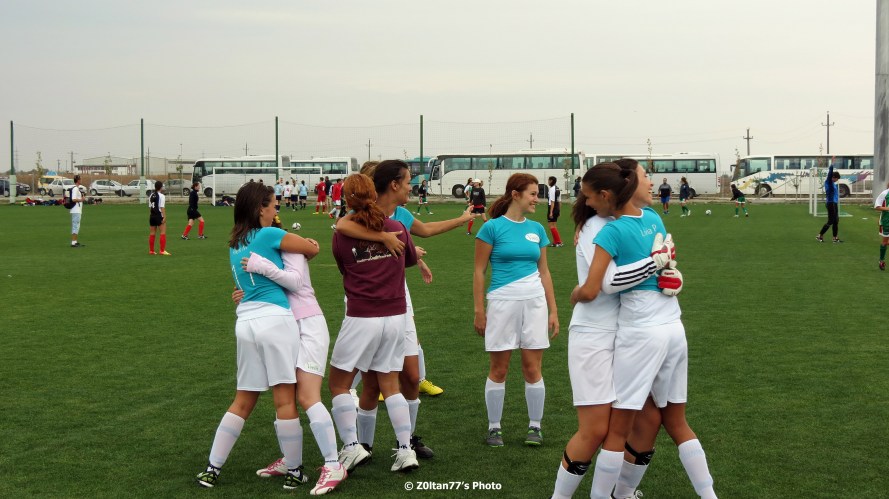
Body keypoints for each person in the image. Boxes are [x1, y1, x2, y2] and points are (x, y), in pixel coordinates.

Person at [571, 161, 717, 499]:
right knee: (676, 422)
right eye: (644, 176)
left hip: (640, 331)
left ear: (606, 195)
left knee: (618, 430)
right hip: (674, 325)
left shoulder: (609, 231)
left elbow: (603, 286)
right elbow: (664, 262)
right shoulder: (653, 218)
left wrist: (576, 293)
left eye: (589, 196)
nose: (586, 203)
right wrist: (667, 272)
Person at [551, 162, 680, 499]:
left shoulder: (637, 219)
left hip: (630, 334)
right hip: (595, 333)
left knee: (648, 421)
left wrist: (669, 276)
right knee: (595, 429)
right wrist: (656, 262)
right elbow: (604, 284)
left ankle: (621, 493)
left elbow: (653, 271)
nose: (649, 182)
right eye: (643, 176)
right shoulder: (596, 225)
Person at [336, 160, 475, 461]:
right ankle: (365, 445)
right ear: (391, 185)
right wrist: (385, 239)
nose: (411, 185)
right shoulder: (360, 217)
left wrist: (460, 221)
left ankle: (406, 442)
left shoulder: (400, 216)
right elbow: (343, 226)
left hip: (398, 299)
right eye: (408, 180)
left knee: (411, 376)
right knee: (372, 382)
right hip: (366, 303)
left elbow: (419, 235)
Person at [195, 182, 321, 490]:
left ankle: (212, 469)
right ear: (259, 208)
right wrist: (308, 243)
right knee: (284, 398)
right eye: (273, 204)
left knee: (242, 400)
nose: (276, 208)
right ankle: (294, 471)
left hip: (245, 323)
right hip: (275, 320)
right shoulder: (269, 234)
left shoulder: (235, 242)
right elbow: (312, 249)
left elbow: (243, 285)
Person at [241, 218, 347, 496]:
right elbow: (267, 288)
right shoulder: (269, 252)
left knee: (308, 396)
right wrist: (247, 294)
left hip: (308, 325)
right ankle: (291, 461)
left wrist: (261, 266)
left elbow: (295, 283)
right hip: (284, 327)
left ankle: (333, 464)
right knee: (284, 395)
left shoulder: (291, 250)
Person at [327, 173, 421, 473]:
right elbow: (409, 260)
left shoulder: (342, 233)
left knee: (339, 384)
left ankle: (352, 446)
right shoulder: (397, 227)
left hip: (362, 315)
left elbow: (344, 268)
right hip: (395, 316)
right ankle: (405, 450)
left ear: (347, 198)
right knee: (390, 385)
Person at [473, 173, 558, 448]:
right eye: (532, 194)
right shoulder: (492, 228)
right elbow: (478, 271)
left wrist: (553, 311)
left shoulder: (538, 229)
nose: (537, 199)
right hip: (502, 302)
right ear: (515, 194)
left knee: (533, 368)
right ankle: (494, 427)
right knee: (499, 369)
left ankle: (535, 426)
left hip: (535, 303)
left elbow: (544, 272)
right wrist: (479, 310)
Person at [817, 164, 842, 242]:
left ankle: (835, 238)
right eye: (837, 179)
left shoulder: (833, 184)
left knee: (836, 221)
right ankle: (820, 235)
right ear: (833, 177)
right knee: (831, 220)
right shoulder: (829, 182)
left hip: (834, 203)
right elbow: (830, 173)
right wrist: (832, 164)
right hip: (831, 203)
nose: (837, 180)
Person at [148, 181, 170, 256]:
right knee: (163, 232)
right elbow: (162, 207)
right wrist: (164, 217)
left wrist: (151, 215)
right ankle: (162, 251)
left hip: (152, 216)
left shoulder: (151, 195)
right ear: (160, 187)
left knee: (152, 233)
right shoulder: (162, 196)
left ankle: (151, 251)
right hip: (159, 215)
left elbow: (150, 207)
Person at [67, 175, 85, 248]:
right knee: (75, 226)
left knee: (77, 226)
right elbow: (73, 199)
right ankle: (73, 242)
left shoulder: (77, 188)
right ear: (78, 180)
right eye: (80, 179)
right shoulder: (75, 189)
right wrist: (81, 200)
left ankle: (75, 242)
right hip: (76, 210)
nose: (81, 180)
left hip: (77, 210)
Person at [875, 182, 889, 271]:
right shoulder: (885, 193)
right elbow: (877, 207)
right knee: (885, 241)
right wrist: (887, 209)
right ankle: (881, 260)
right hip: (886, 221)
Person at [546, 176, 563, 247]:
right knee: (554, 225)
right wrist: (559, 211)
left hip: (552, 208)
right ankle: (557, 242)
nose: (548, 182)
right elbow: (559, 201)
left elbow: (552, 201)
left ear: (551, 181)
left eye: (548, 180)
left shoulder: (552, 189)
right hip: (556, 209)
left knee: (551, 225)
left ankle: (557, 242)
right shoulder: (557, 188)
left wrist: (551, 212)